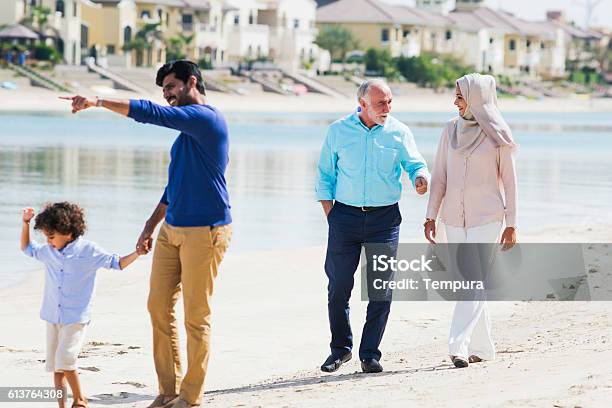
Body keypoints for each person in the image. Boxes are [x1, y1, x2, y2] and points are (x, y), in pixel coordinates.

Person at [60, 59, 232, 408]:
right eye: (164, 89)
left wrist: (98, 102)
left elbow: (152, 114)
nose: (167, 94)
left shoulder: (206, 120)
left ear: (191, 82)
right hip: (173, 229)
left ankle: (191, 397)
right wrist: (150, 225)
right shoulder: (186, 137)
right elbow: (174, 186)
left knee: (196, 316)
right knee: (157, 307)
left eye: (171, 86)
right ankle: (168, 391)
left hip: (206, 231)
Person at [316, 79, 429, 374]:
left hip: (384, 220)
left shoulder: (399, 132)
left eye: (390, 102)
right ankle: (340, 350)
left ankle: (369, 353)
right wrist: (332, 215)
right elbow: (325, 175)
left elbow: (415, 163)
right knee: (338, 287)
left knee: (380, 290)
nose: (387, 108)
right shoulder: (338, 131)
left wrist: (420, 178)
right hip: (344, 218)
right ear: (362, 103)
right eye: (381, 103)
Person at [424, 73, 517, 368]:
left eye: (460, 96)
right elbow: (439, 176)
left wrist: (513, 223)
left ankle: (458, 346)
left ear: (476, 98)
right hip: (452, 217)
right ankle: (484, 348)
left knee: (471, 280)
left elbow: (510, 182)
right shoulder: (449, 130)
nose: (455, 102)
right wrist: (431, 215)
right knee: (470, 281)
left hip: (487, 217)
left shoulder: (498, 134)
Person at [21, 202, 139, 408]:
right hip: (52, 317)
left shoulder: (88, 251)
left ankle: (80, 399)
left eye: (51, 236)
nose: (48, 242)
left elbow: (117, 263)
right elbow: (27, 248)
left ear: (67, 231)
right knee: (57, 368)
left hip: (75, 318)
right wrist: (25, 223)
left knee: (65, 359)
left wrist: (139, 252)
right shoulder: (49, 251)